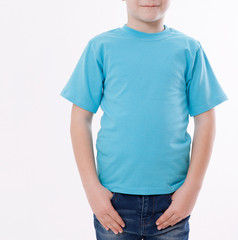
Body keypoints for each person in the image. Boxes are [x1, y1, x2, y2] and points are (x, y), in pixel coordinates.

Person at [60, 0, 227, 239]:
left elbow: (205, 119)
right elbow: (80, 118)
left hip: (172, 200)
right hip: (113, 200)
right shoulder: (101, 47)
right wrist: (92, 190)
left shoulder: (189, 49)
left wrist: (192, 188)